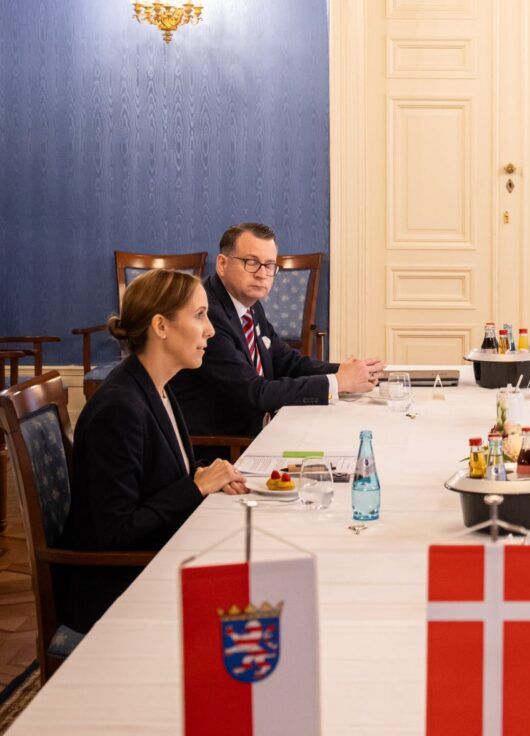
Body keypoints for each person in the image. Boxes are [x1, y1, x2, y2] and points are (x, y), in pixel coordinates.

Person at [61, 270, 248, 633]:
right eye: (200, 315)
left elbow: (159, 475)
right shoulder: (119, 408)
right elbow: (116, 532)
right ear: (161, 326)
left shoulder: (156, 385)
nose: (210, 330)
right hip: (117, 589)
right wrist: (196, 486)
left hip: (156, 561)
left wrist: (205, 475)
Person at [170, 222, 385, 439]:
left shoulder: (249, 304)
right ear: (222, 264)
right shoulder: (207, 314)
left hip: (257, 430)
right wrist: (338, 382)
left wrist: (345, 371)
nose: (262, 274)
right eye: (252, 262)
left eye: (269, 265)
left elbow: (286, 361)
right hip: (224, 445)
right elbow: (256, 392)